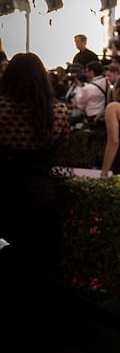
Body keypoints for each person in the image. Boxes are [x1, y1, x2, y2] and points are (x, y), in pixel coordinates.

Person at [0, 52, 70, 349]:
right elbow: (61, 151)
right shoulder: (58, 112)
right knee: (42, 267)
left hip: (4, 194)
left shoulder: (2, 109)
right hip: (41, 197)